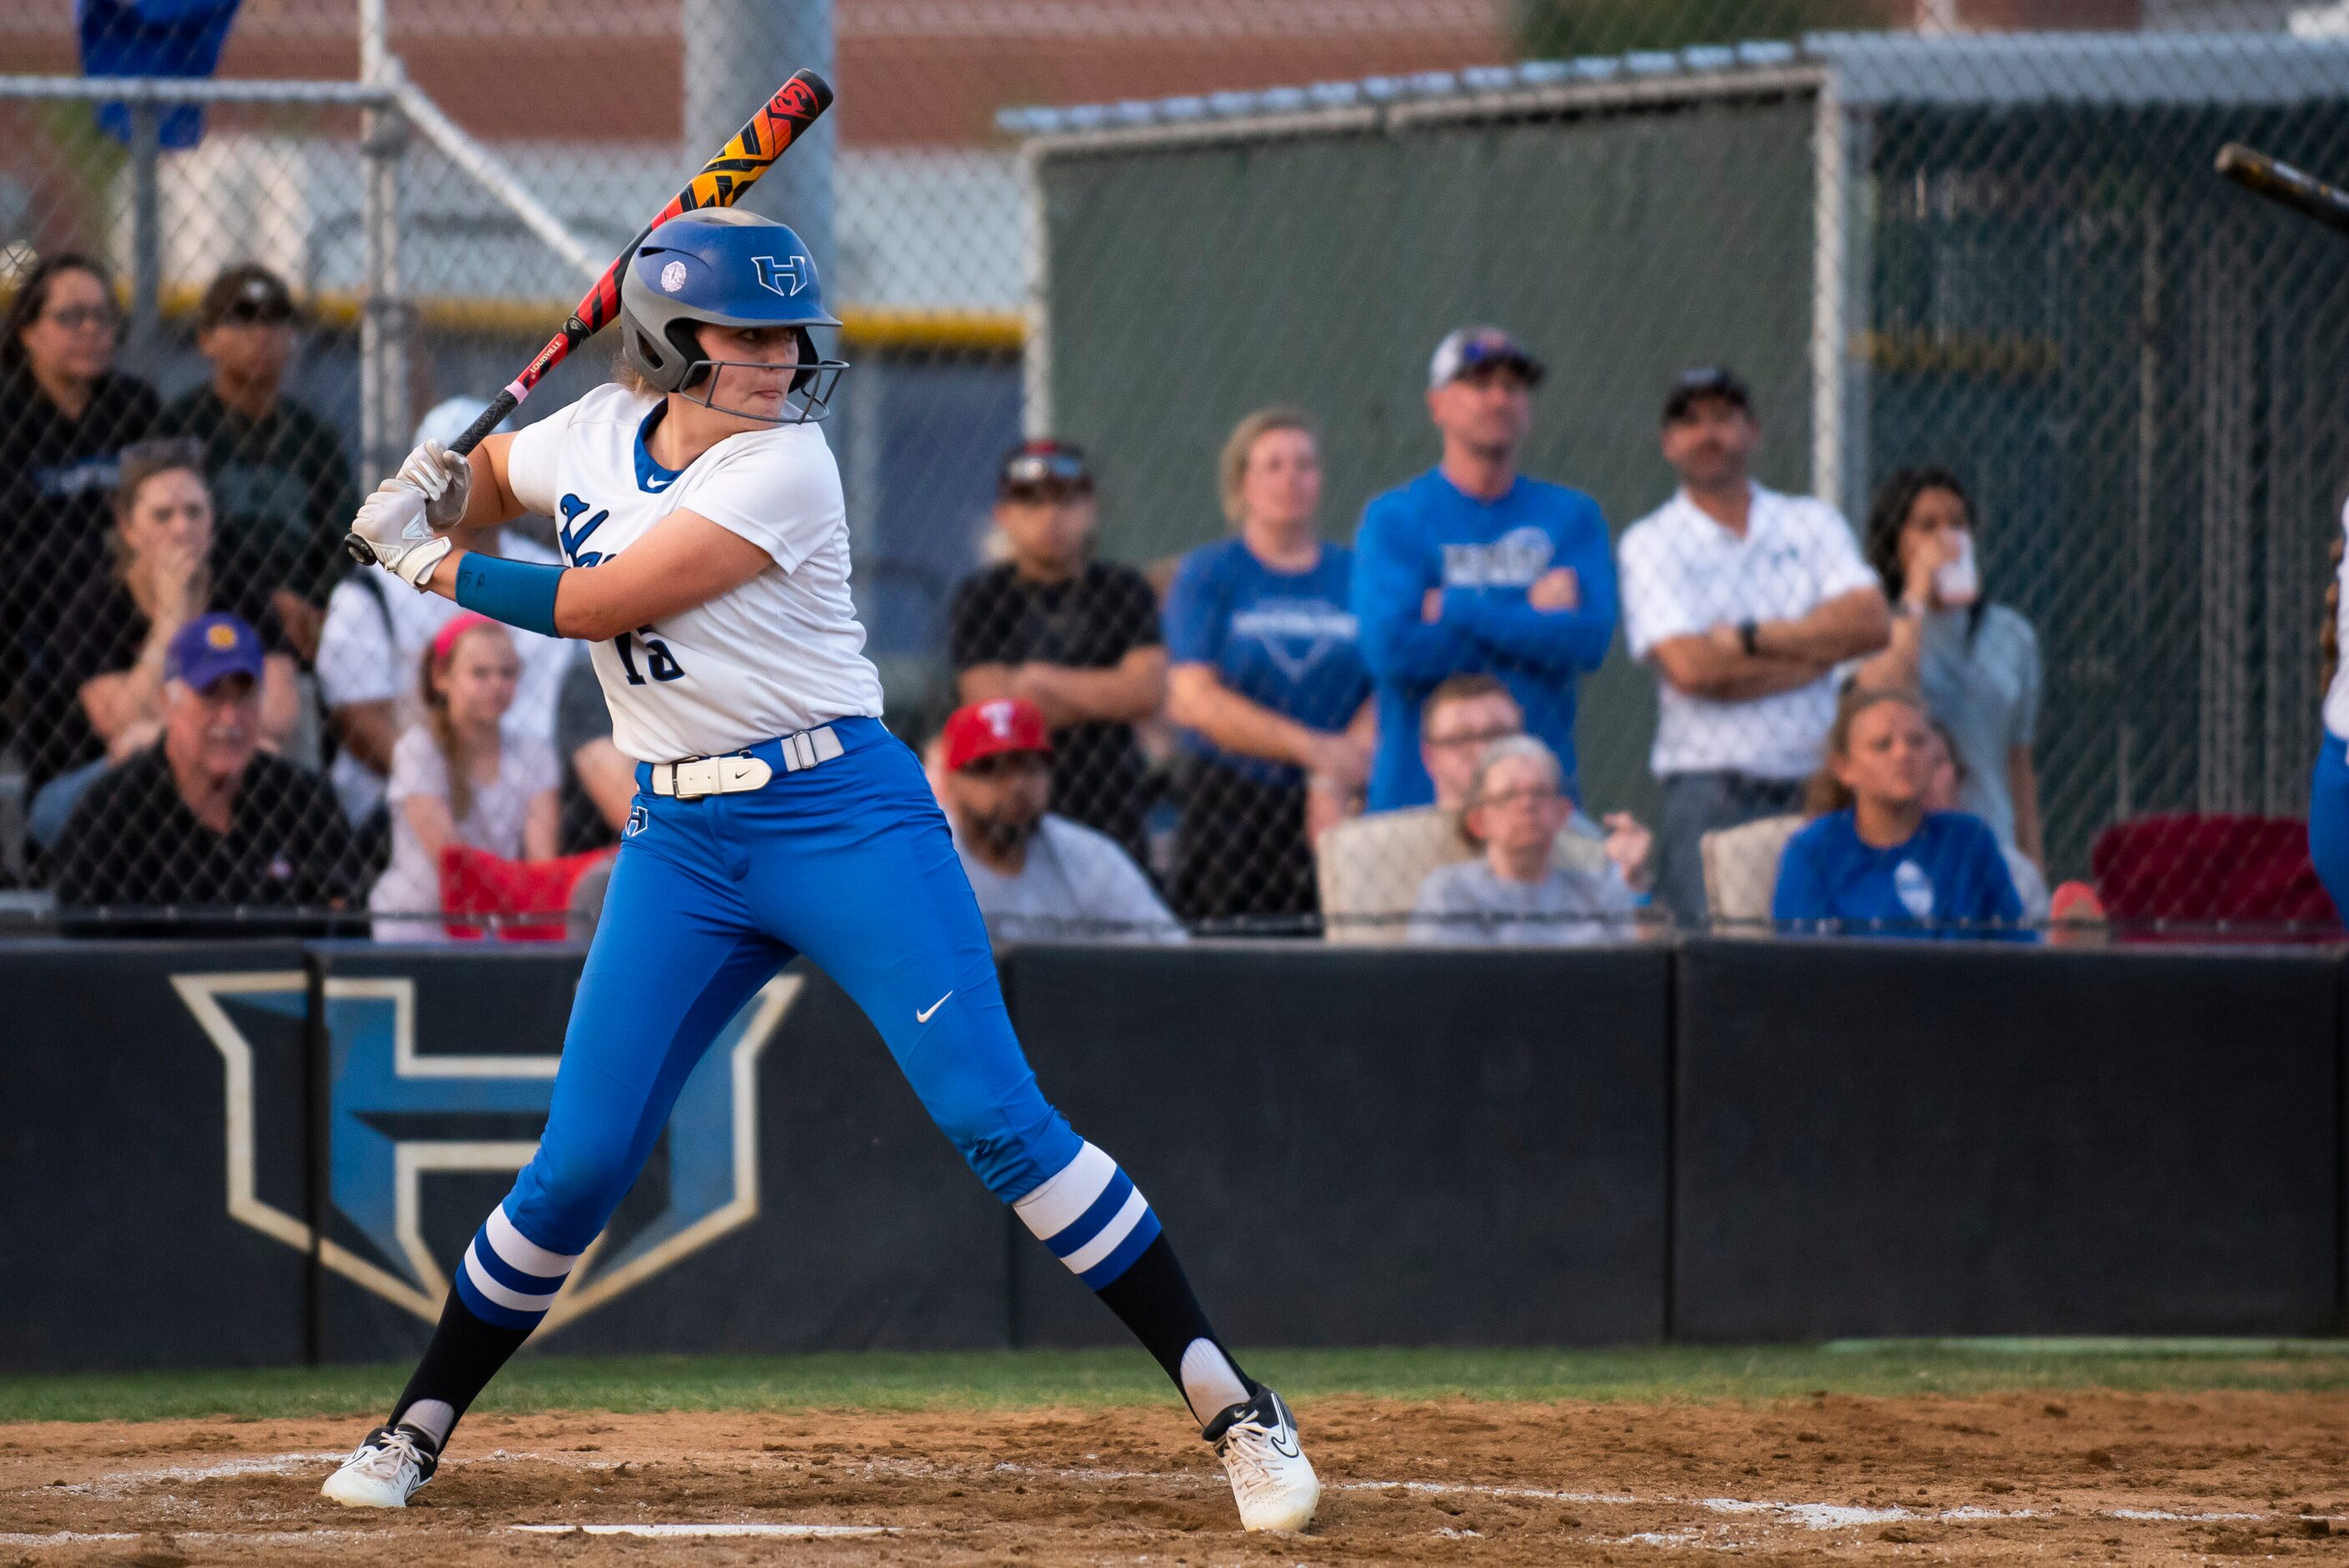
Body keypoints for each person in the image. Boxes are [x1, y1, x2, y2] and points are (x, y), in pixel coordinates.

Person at [325, 208, 1318, 1531]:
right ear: (673, 343)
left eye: (790, 333)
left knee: (995, 1115)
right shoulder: (582, 435)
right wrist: (436, 479)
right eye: (746, 334)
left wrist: (427, 556)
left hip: (839, 813)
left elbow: (593, 601)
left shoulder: (788, 466)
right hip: (682, 841)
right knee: (577, 1165)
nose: (781, 358)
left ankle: (1235, 1406)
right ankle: (415, 1425)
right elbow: (501, 477)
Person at [1617, 367, 1892, 929]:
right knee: (1716, 968)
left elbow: (1869, 624)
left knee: (1830, 956)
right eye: (1689, 421)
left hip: (1824, 789)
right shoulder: (1650, 541)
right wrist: (1817, 654)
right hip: (1711, 795)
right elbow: (1692, 670)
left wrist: (1748, 638)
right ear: (1668, 443)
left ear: (1753, 431)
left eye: (1722, 417)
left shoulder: (1810, 521)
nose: (1707, 434)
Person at [1352, 326, 1618, 813]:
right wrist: (1530, 619)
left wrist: (1455, 607)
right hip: (1417, 801)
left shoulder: (1572, 516)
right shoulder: (1394, 518)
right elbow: (1392, 652)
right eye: (1479, 384)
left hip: (1536, 804)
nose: (1499, 399)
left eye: (1513, 387)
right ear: (1437, 406)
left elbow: (1587, 642)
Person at [315, 397, 572, 835]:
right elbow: (358, 717)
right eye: (450, 468)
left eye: (483, 464)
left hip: (538, 801)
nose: (466, 482)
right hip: (401, 806)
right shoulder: (372, 587)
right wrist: (449, 789)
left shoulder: (552, 570)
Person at [25, 441, 299, 843]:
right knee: (54, 813)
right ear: (128, 528)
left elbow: (277, 716)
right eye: (162, 515)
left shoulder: (242, 595)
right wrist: (172, 614)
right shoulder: (96, 604)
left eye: (194, 512)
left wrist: (160, 737)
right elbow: (119, 720)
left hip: (219, 762)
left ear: (212, 521)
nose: (181, 528)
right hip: (106, 776)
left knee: (288, 786)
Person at [1162, 408, 1371, 923]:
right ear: (1242, 484)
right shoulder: (1210, 573)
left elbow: (1392, 680)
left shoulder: (1357, 572)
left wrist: (1336, 776)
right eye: (1272, 466)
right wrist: (1316, 752)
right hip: (1233, 802)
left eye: (1305, 465)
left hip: (1344, 799)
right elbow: (1193, 699)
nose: (1290, 480)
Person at [52, 613, 355, 923]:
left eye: (244, 697)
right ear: (168, 704)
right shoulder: (110, 814)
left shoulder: (304, 801)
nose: (230, 718)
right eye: (211, 696)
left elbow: (347, 918)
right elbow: (84, 944)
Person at [949, 440, 1166, 859]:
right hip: (1013, 816)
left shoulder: (1125, 591)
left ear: (1091, 509)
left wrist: (1039, 682)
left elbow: (1147, 692)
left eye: (1065, 501)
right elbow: (993, 703)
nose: (1050, 517)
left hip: (1113, 805)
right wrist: (1105, 694)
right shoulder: (982, 596)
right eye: (1031, 503)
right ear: (1003, 516)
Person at [1316, 672, 1650, 940]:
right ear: (1430, 758)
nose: (1481, 751)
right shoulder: (1378, 849)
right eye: (1461, 739)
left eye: (1497, 734)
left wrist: (1632, 883)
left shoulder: (1584, 842)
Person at [155, 263, 357, 661]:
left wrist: (316, 602)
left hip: (306, 624)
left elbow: (345, 536)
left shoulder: (313, 435)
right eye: (242, 320)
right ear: (206, 339)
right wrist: (264, 602)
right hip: (210, 610)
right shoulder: (177, 429)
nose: (262, 335)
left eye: (276, 321)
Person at [1851, 467, 2043, 875]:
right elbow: (1885, 691)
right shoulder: (1876, 626)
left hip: (1990, 843)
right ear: (1896, 540)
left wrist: (2033, 863)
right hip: (1901, 847)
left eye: (1957, 524)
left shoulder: (2012, 635)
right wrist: (1917, 595)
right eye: (1927, 526)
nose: (1946, 538)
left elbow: (2018, 762)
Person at [0, 252, 159, 736]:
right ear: (28, 332)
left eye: (102, 316)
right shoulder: (9, 419)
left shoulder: (134, 406)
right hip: (33, 606)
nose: (91, 329)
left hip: (129, 596)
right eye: (70, 317)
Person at [1770, 687, 2025, 939]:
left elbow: (2018, 948)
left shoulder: (1970, 840)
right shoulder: (1811, 851)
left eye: (1917, 741)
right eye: (1882, 745)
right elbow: (1803, 966)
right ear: (1844, 768)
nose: (1903, 754)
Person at [368, 615, 562, 941]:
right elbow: (453, 864)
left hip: (495, 926)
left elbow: (543, 869)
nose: (496, 685)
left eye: (507, 673)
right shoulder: (419, 750)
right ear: (442, 677)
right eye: (479, 673)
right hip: (416, 926)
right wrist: (513, 888)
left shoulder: (535, 756)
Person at [939, 696, 1183, 943]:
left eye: (1030, 767)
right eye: (991, 769)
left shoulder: (1090, 857)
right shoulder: (921, 863)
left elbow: (1169, 948)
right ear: (951, 782)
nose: (1017, 785)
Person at [1409, 736, 1639, 945]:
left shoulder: (1597, 891)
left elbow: (1641, 964)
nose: (1527, 804)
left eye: (1539, 792)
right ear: (1479, 821)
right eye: (1508, 795)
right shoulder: (1450, 891)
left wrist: (1634, 878)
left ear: (1562, 813)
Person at [1918, 716, 2048, 921]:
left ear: (1959, 779)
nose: (1924, 776)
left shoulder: (2013, 872)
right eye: (1916, 764)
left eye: (1937, 762)